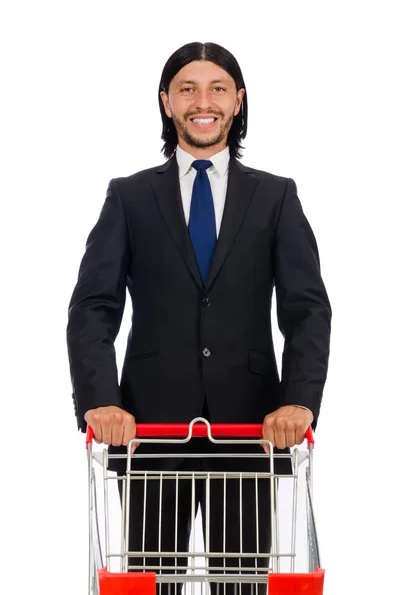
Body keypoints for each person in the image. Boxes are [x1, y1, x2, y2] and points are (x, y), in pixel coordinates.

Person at [66, 41, 332, 595]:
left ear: (238, 101)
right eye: (187, 88)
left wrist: (299, 400)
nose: (202, 101)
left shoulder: (277, 197)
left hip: (250, 429)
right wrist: (101, 400)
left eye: (217, 88)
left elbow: (307, 309)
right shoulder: (130, 196)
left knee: (241, 584)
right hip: (149, 432)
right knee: (146, 581)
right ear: (167, 102)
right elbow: (93, 306)